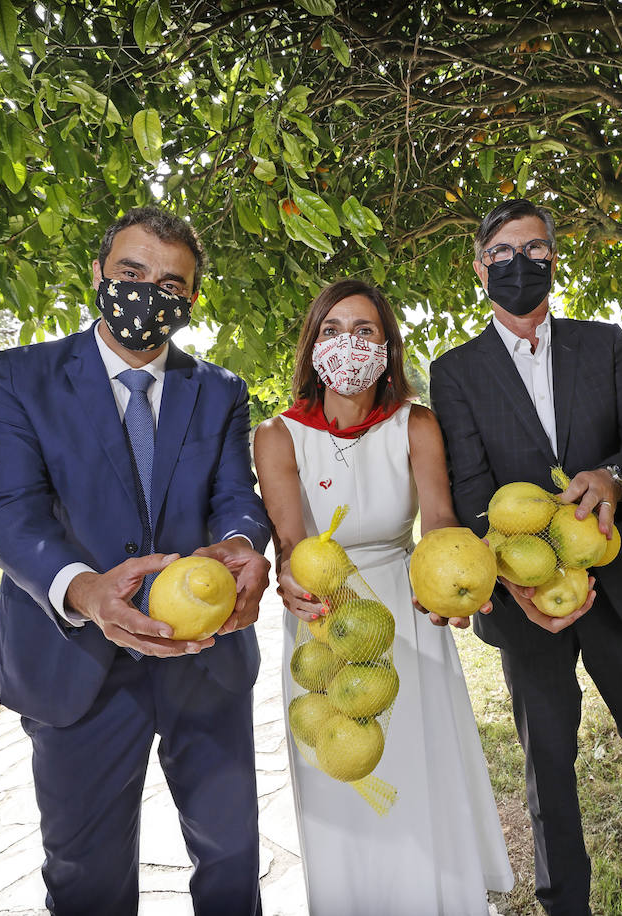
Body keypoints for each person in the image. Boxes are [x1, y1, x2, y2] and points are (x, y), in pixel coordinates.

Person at [0, 206, 272, 915]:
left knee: (232, 862)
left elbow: (237, 496)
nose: (149, 292)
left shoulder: (221, 391)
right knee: (87, 877)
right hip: (74, 662)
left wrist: (239, 546)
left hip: (204, 656)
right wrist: (84, 590)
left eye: (171, 283)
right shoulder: (20, 378)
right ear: (100, 275)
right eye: (132, 273)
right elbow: (7, 509)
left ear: (191, 299)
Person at [429, 199, 622, 916]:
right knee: (548, 769)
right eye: (505, 252)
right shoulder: (455, 371)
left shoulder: (604, 343)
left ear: (555, 258)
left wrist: (611, 476)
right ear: (480, 264)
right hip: (527, 605)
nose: (522, 263)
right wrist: (517, 578)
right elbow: (467, 487)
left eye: (536, 248)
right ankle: (564, 906)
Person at [252, 279, 513, 915]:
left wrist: (460, 579)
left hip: (405, 608)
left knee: (416, 765)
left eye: (365, 330)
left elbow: (441, 521)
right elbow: (291, 545)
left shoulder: (415, 424)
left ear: (388, 348)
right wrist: (291, 583)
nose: (349, 343)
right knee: (341, 767)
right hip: (327, 618)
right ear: (312, 344)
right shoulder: (276, 435)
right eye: (332, 328)